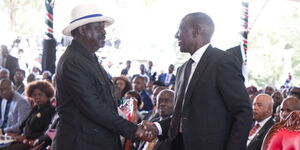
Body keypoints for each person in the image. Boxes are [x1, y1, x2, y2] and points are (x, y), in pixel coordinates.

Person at [143, 12, 252, 150]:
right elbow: (184, 116)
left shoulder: (222, 62)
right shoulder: (182, 69)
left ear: (196, 31)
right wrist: (157, 127)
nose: (176, 35)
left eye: (180, 29)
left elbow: (243, 112)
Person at [52, 5, 152, 150]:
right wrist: (134, 129)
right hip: (81, 144)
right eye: (99, 28)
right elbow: (94, 107)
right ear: (82, 30)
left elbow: (104, 104)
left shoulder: (88, 58)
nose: (104, 32)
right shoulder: (72, 61)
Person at [1, 80, 56, 150]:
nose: (37, 97)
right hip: (21, 138)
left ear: (48, 96)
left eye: (40, 95)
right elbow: (24, 124)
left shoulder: (51, 110)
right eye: (34, 95)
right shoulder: (36, 108)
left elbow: (47, 133)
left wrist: (25, 137)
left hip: (33, 142)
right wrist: (17, 134)